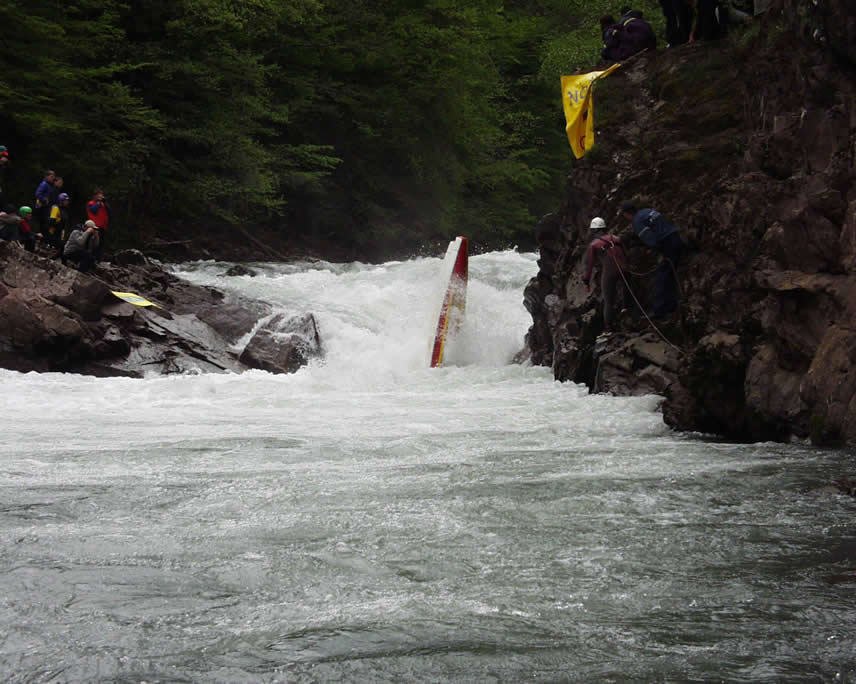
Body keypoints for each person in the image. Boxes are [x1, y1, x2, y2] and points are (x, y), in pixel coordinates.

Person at [620, 202, 683, 319]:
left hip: (667, 244)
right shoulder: (648, 211)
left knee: (661, 277)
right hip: (675, 236)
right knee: (669, 273)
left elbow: (651, 240)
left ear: (627, 214)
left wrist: (659, 251)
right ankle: (670, 305)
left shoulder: (637, 221)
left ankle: (660, 310)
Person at [582, 217, 629, 333]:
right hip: (625, 270)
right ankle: (626, 309)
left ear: (594, 230)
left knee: (608, 302)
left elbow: (589, 266)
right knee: (627, 292)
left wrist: (586, 281)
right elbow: (625, 254)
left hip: (609, 272)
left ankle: (608, 329)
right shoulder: (616, 238)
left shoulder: (594, 244)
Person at [86, 189, 111, 260]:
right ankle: (91, 258)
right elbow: (94, 210)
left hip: (103, 226)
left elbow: (110, 212)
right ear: (95, 196)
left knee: (101, 244)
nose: (101, 196)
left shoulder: (103, 204)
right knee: (94, 244)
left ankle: (98, 259)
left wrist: (105, 203)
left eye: (102, 195)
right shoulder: (91, 203)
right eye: (99, 195)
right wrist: (99, 203)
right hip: (95, 227)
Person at [34, 170, 56, 235]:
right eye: (51, 176)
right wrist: (44, 199)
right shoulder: (44, 184)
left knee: (47, 225)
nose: (53, 178)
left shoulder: (50, 185)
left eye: (53, 177)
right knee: (43, 225)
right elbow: (37, 194)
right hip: (43, 208)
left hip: (48, 208)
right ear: (46, 176)